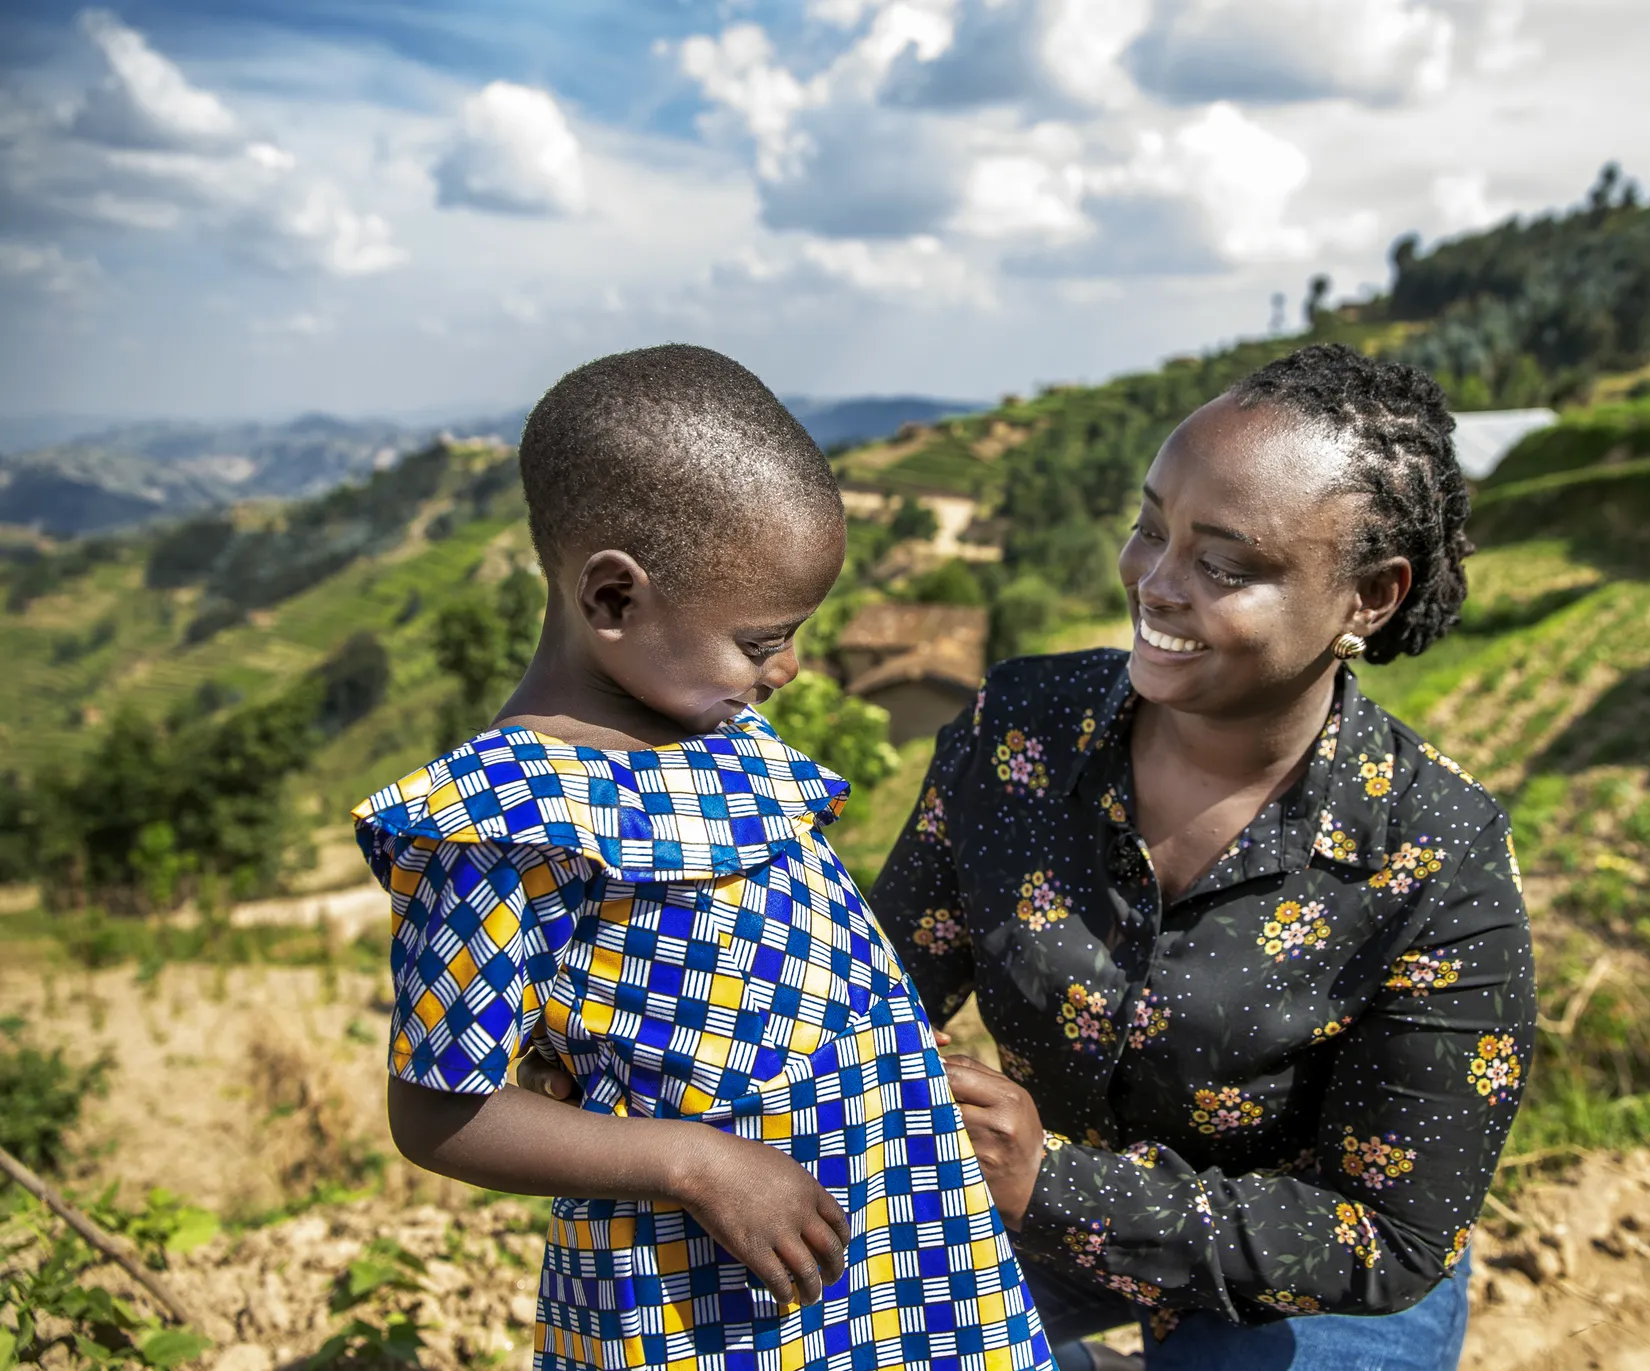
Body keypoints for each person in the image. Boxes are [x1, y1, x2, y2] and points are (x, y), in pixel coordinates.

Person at [355, 345, 1053, 1371]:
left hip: (894, 1258)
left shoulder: (712, 730)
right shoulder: (500, 822)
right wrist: (692, 1163)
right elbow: (435, 1114)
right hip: (706, 1298)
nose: (789, 668)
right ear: (611, 601)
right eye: (762, 640)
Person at [869, 345, 1536, 1371]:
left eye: (1223, 565)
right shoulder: (1021, 734)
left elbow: (1392, 1236)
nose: (1156, 582)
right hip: (1036, 1231)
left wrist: (1054, 1181)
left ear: (1368, 596)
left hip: (1294, 1282)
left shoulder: (1435, 853)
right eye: (1149, 529)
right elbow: (875, 992)